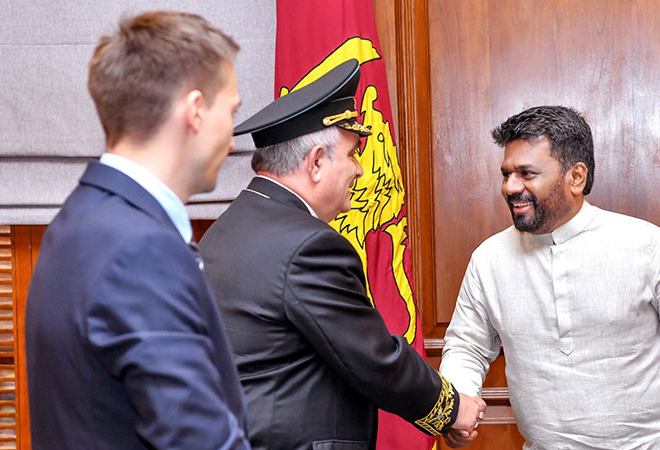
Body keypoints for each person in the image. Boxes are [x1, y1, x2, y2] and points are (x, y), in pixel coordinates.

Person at [198, 59, 483, 450]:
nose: (360, 170)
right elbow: (375, 358)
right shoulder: (308, 245)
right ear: (316, 162)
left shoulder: (226, 228)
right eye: (352, 154)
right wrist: (450, 409)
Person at [440, 105, 660, 449]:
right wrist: (455, 407)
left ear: (576, 177)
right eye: (506, 174)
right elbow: (466, 346)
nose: (510, 187)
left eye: (526, 173)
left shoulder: (646, 245)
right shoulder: (488, 260)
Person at [25, 11, 251, 450]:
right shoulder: (142, 250)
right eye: (232, 111)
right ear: (196, 111)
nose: (235, 139)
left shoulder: (79, 221)